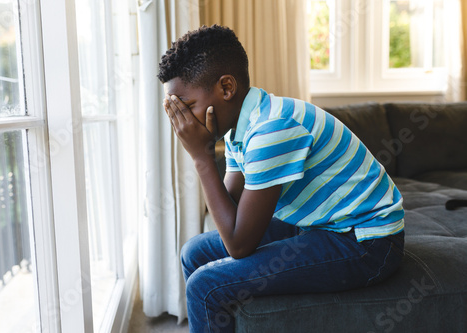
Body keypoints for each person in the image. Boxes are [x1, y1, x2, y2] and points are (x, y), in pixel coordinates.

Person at [157, 24, 405, 333]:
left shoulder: (272, 129)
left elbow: (239, 245)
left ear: (226, 88)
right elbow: (232, 210)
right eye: (175, 109)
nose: (182, 122)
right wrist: (206, 150)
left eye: (187, 106)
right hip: (319, 226)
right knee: (194, 252)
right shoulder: (241, 126)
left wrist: (202, 157)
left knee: (204, 286)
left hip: (365, 243)